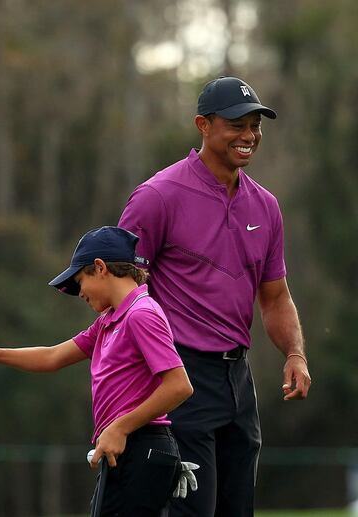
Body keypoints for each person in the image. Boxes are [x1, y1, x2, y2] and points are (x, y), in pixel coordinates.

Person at [118, 76, 312, 516]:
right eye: (236, 125)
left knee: (237, 509)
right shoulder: (158, 196)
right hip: (178, 377)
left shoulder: (266, 206)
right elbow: (122, 291)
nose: (249, 136)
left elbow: (276, 296)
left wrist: (295, 354)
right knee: (191, 512)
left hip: (238, 382)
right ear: (203, 125)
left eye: (255, 126)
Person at [0, 226, 194, 516]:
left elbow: (179, 386)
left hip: (142, 443)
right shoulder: (109, 321)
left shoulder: (141, 314)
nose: (80, 293)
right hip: (125, 447)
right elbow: (53, 356)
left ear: (100, 268)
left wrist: (120, 427)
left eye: (80, 281)